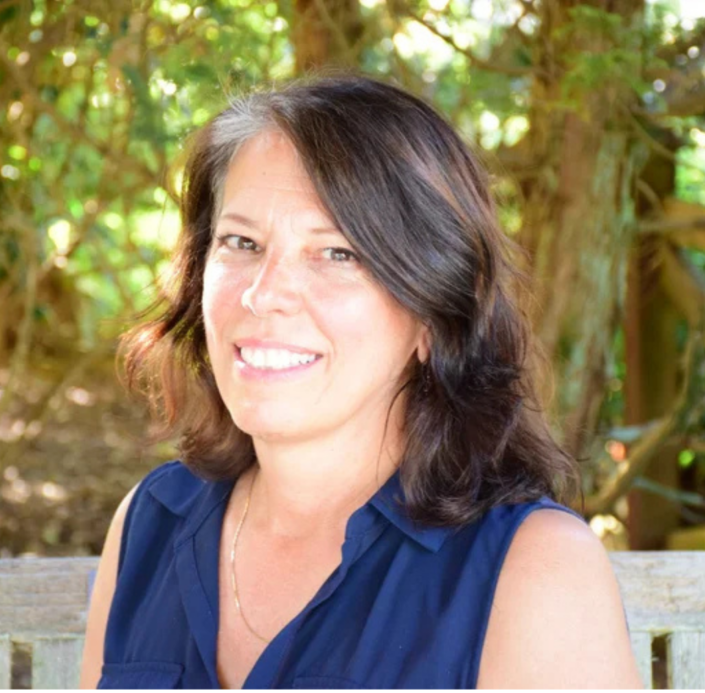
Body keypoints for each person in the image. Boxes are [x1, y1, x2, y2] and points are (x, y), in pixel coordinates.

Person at [80, 72, 643, 690]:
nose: (263, 294)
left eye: (337, 253)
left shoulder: (534, 570)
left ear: (432, 315)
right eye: (242, 241)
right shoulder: (150, 523)